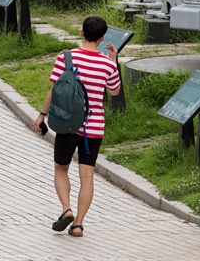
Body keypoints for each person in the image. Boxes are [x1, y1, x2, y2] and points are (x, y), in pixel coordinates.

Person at [31, 16, 121, 238]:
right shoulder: (107, 64)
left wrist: (42, 115)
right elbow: (114, 92)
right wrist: (114, 60)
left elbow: (55, 89)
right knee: (87, 176)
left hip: (68, 124)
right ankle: (78, 224)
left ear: (82, 32)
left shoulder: (66, 57)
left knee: (61, 168)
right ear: (102, 38)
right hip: (94, 128)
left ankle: (66, 209)